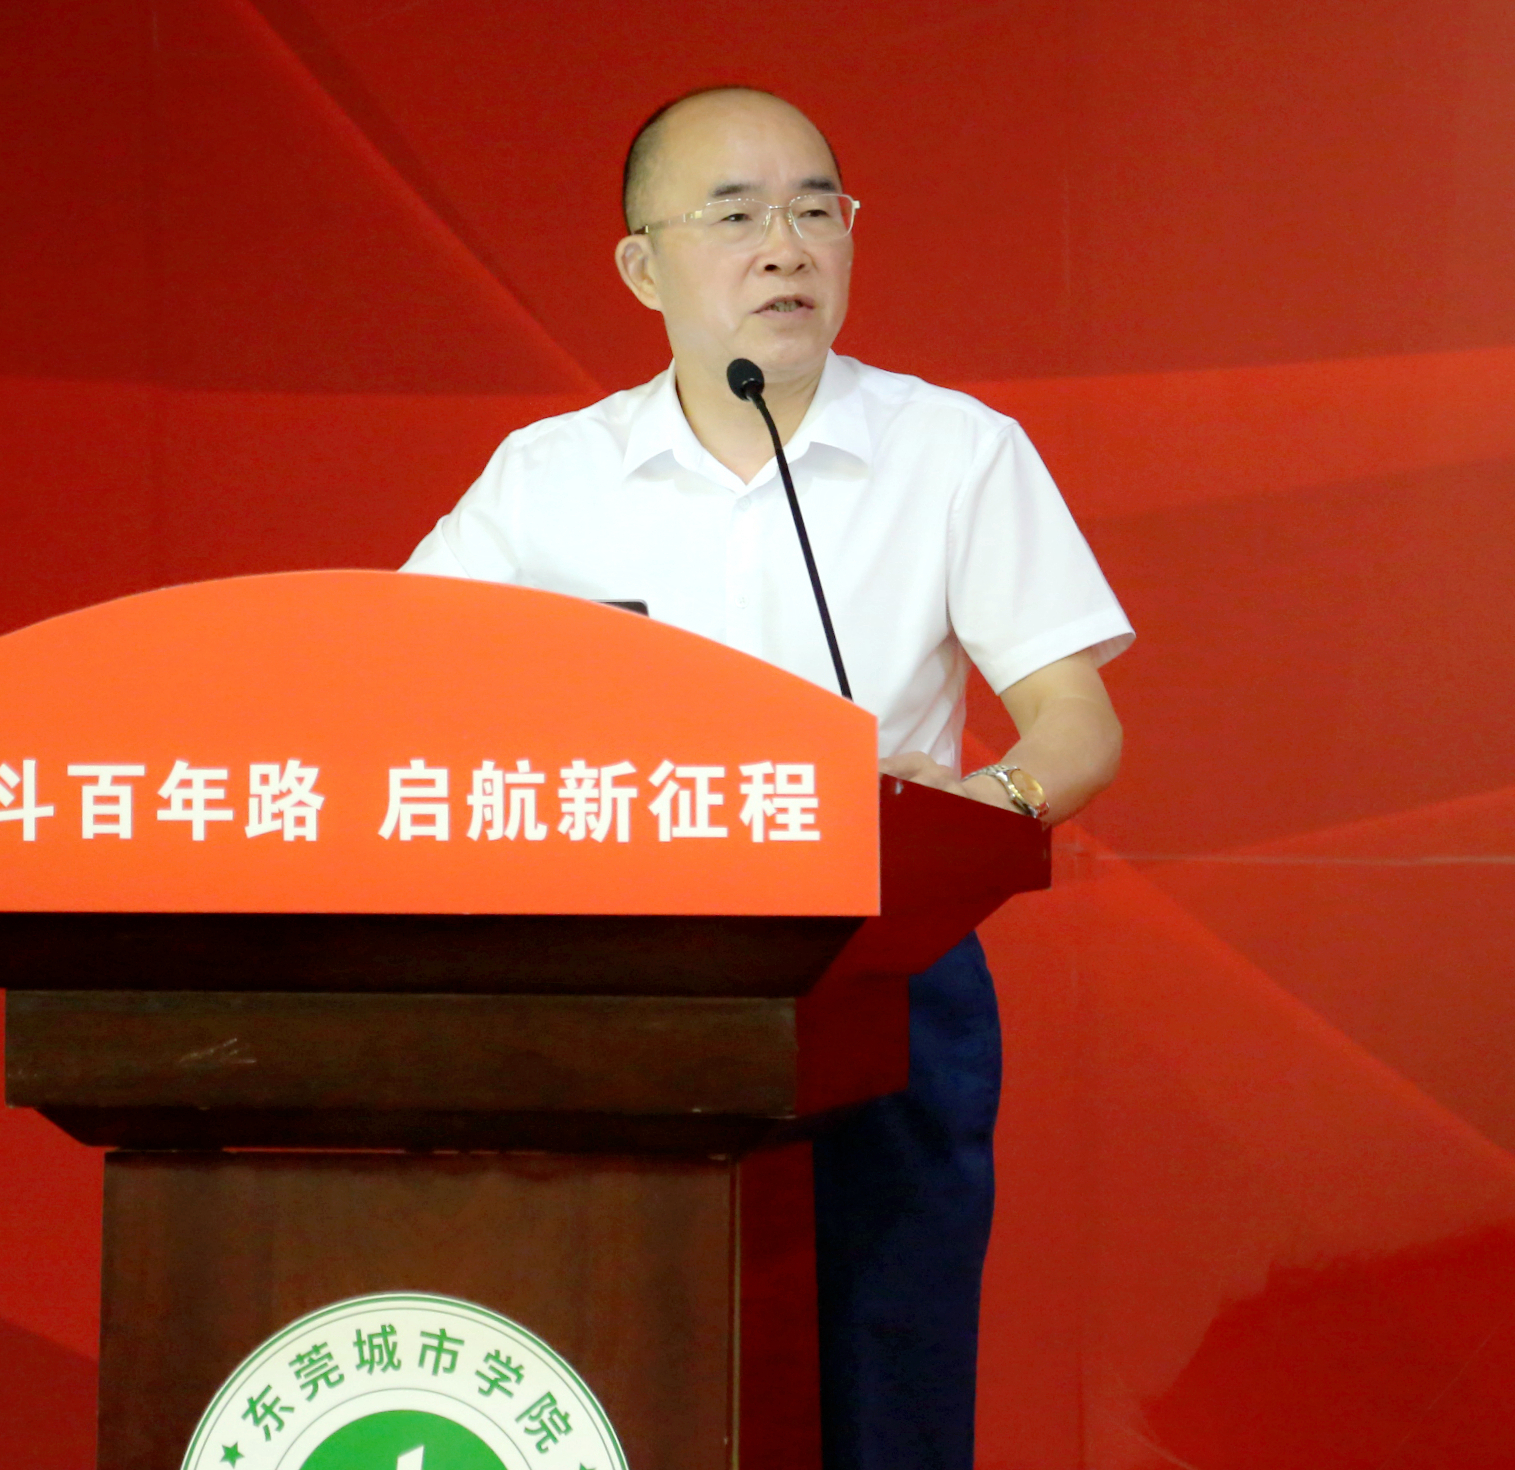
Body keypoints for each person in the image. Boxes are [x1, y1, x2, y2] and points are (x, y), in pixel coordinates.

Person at [402, 86, 1132, 1470]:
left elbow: (1072, 717)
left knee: (881, 1376)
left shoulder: (953, 448)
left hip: (880, 964)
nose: (786, 247)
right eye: (735, 216)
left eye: (815, 210)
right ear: (642, 266)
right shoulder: (548, 477)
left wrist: (985, 804)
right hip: (611, 978)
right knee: (625, 1358)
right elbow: (400, 688)